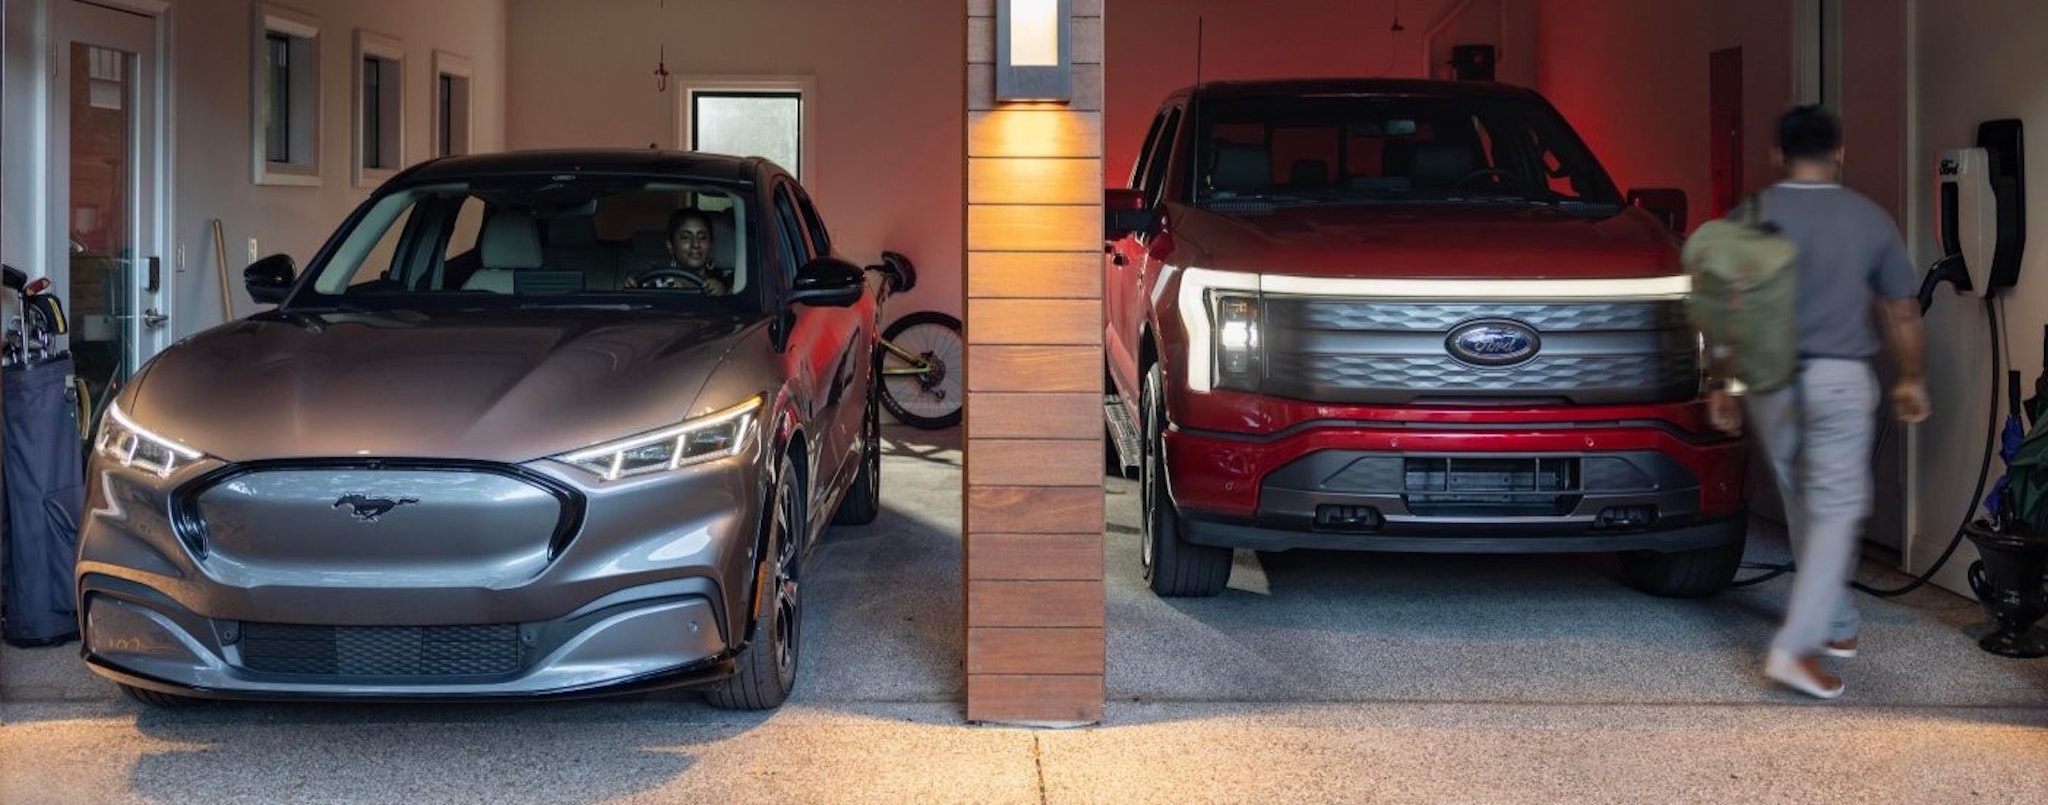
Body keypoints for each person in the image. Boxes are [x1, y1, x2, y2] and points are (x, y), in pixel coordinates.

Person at [1705, 104, 1929, 700]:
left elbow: (1727, 311)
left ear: (1776, 155)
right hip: (1839, 379)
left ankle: (1836, 621)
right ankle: (1794, 648)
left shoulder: (1750, 217)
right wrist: (1911, 378)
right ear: (1840, 152)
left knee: (1807, 504)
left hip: (1770, 382)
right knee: (1833, 510)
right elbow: (1901, 310)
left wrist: (1723, 383)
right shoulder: (1869, 219)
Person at [638, 209, 731, 294]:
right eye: (685, 237)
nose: (695, 244)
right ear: (670, 245)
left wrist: (724, 296)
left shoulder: (732, 281)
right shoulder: (654, 287)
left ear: (710, 244)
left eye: (702, 237)